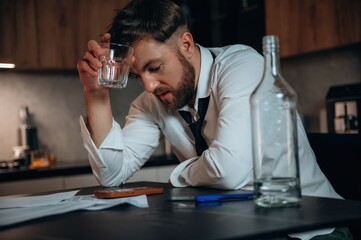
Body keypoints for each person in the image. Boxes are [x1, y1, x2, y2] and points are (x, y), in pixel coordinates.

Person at [77, 0, 352, 239]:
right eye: (139, 76)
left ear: (185, 44)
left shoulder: (243, 67)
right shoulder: (152, 102)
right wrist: (96, 94)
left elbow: (227, 169)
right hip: (241, 228)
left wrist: (178, 175)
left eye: (155, 68)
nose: (148, 86)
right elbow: (111, 176)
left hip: (312, 229)